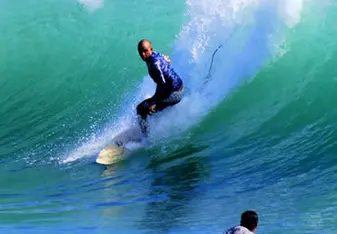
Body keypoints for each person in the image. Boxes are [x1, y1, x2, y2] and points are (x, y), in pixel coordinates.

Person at [136, 39, 184, 135]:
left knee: (141, 108)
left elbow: (163, 85)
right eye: (140, 51)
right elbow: (161, 58)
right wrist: (165, 60)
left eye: (145, 51)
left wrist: (154, 102)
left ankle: (145, 137)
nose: (143, 54)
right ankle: (147, 126)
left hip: (174, 93)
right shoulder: (154, 55)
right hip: (177, 88)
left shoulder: (154, 64)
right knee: (149, 109)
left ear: (151, 49)